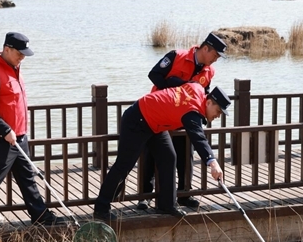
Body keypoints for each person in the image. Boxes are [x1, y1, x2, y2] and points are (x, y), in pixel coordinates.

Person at [0, 32, 65, 242]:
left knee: (28, 178)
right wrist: (5, 130)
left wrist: (18, 132)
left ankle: (40, 216)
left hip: (20, 138)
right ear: (7, 49)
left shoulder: (15, 69)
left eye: (25, 54)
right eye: (20, 53)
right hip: (2, 142)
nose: (23, 58)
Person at [93, 82, 231, 221]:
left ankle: (166, 205)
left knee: (168, 157)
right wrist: (213, 163)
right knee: (124, 165)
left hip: (156, 123)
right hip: (137, 119)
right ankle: (101, 208)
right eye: (218, 111)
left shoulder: (198, 88)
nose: (218, 115)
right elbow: (199, 138)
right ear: (208, 103)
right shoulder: (192, 112)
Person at [137, 32, 228, 211]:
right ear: (205, 48)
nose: (216, 59)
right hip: (161, 112)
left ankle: (184, 194)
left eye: (218, 57)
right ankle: (145, 196)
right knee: (151, 153)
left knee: (186, 152)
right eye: (215, 55)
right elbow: (154, 75)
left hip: (185, 117)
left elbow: (204, 95)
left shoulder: (210, 71)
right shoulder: (176, 56)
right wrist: (178, 87)